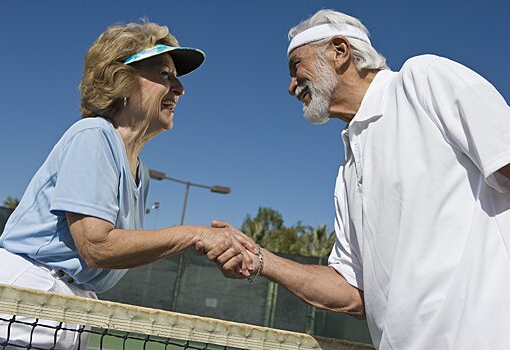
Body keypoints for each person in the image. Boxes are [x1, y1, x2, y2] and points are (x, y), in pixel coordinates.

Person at [207, 9, 510, 350]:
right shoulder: (346, 171)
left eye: (296, 68)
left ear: (340, 51)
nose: (291, 85)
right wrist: (260, 259)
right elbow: (353, 293)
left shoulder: (422, 79)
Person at [0, 20, 256, 349]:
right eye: (164, 74)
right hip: (22, 295)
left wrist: (207, 245)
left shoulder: (141, 175)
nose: (180, 88)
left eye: (177, 77)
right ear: (122, 81)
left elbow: (114, 250)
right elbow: (96, 247)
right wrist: (195, 234)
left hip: (72, 306)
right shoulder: (93, 136)